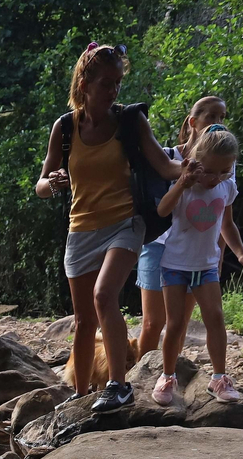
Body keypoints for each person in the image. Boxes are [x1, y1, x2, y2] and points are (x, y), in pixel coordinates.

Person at [36, 43, 183, 412]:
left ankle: (119, 385)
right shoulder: (65, 127)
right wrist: (53, 182)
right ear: (84, 83)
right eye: (106, 83)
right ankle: (81, 394)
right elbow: (40, 186)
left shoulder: (130, 121)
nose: (114, 91)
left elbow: (166, 168)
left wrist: (196, 168)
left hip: (125, 223)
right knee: (84, 320)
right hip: (81, 228)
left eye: (118, 83)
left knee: (104, 297)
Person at [150, 126, 243, 406]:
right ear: (196, 162)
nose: (215, 178)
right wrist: (181, 184)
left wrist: (241, 253)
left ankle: (219, 377)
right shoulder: (185, 185)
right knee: (175, 324)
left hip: (207, 266)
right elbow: (163, 210)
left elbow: (227, 224)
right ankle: (167, 375)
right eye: (209, 171)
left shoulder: (227, 187)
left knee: (216, 318)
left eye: (224, 171)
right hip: (175, 263)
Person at [136, 95, 236, 356]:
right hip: (159, 245)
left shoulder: (226, 163)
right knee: (152, 322)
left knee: (178, 324)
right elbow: (160, 207)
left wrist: (220, 254)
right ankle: (137, 379)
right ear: (193, 121)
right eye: (210, 117)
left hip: (197, 254)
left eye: (222, 118)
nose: (217, 123)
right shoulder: (168, 157)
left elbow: (224, 217)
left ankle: (170, 377)